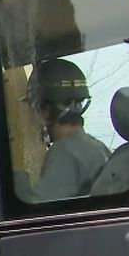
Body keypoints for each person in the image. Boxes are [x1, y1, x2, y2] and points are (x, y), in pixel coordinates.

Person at [20, 58, 111, 202]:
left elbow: (38, 211)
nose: (33, 118)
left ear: (44, 110)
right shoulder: (97, 147)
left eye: (34, 109)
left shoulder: (64, 152)